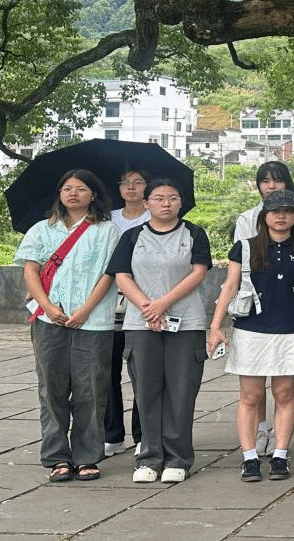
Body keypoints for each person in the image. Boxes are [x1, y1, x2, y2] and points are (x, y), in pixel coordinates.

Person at [17, 169, 121, 483]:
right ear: (59, 194)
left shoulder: (107, 231)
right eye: (66, 188)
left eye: (80, 188)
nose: (73, 193)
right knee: (51, 389)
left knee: (92, 389)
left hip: (94, 320)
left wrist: (86, 310)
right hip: (48, 320)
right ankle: (57, 456)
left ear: (93, 194)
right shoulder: (41, 229)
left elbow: (109, 274)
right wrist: (48, 307)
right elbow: (30, 271)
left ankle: (88, 456)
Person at [108, 179, 213, 484]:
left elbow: (198, 272)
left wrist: (162, 304)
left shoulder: (194, 233)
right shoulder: (132, 236)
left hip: (186, 324)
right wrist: (147, 307)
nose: (166, 203)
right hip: (141, 324)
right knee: (146, 391)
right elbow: (121, 276)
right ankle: (149, 457)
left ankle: (178, 458)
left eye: (173, 198)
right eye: (158, 198)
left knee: (181, 392)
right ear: (146, 204)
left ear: (181, 202)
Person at [208, 190, 294, 483]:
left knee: (284, 393)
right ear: (264, 215)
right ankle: (249, 457)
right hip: (251, 329)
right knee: (250, 396)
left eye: (288, 211)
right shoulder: (244, 247)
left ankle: (280, 454)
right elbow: (230, 286)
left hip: (290, 329)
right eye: (275, 211)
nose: (281, 216)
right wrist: (215, 326)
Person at [232, 161, 294, 456]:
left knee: (283, 389)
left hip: (289, 312)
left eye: (277, 180)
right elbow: (239, 268)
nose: (271, 185)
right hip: (255, 310)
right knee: (252, 389)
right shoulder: (247, 218)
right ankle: (259, 431)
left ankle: (280, 448)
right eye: (265, 181)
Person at [105, 165, 150, 458]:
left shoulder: (155, 217)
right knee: (106, 371)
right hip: (107, 301)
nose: (131, 187)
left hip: (143, 301)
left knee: (142, 372)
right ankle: (112, 434)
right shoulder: (107, 219)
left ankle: (143, 434)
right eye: (125, 182)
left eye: (138, 181)